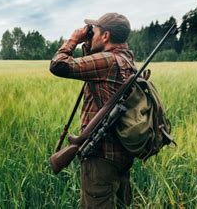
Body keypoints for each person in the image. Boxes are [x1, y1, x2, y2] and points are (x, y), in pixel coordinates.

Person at [49, 13, 136, 208]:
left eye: (94, 32)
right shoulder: (127, 60)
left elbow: (58, 65)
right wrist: (89, 43)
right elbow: (92, 65)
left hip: (100, 159)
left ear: (105, 36)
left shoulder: (108, 61)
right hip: (121, 155)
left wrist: (74, 39)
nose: (90, 34)